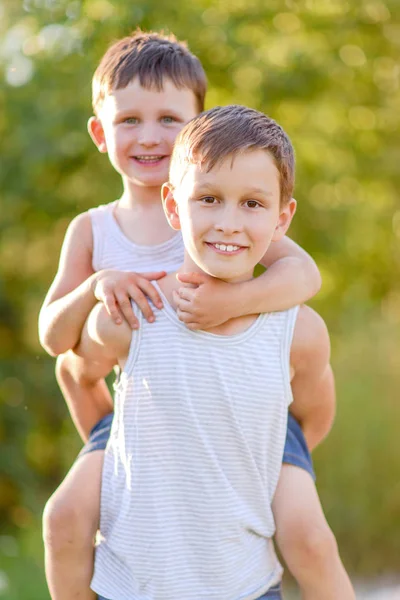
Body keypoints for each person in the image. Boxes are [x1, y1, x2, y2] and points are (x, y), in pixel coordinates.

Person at [38, 32, 352, 600]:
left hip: (247, 399)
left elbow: (304, 278)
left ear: (194, 127)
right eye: (129, 119)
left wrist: (228, 301)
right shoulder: (95, 229)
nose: (151, 136)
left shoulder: (227, 199)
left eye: (168, 119)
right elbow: (62, 348)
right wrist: (97, 285)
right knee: (65, 518)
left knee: (307, 535)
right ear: (99, 132)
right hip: (148, 400)